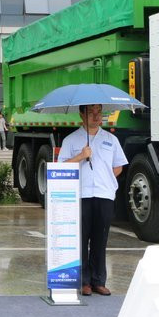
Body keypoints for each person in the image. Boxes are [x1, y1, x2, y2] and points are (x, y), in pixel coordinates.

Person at [58, 104, 128, 297]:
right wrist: (81, 156)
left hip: (104, 195)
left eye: (99, 112)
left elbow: (119, 166)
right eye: (91, 112)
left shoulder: (111, 140)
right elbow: (61, 166)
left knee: (100, 239)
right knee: (81, 239)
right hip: (81, 195)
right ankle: (84, 281)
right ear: (82, 114)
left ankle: (99, 280)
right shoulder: (71, 140)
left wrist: (107, 179)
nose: (96, 116)